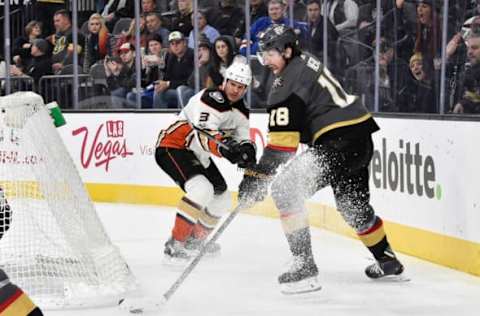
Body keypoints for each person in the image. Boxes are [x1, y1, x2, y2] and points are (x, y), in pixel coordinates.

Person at [237, 24, 405, 294]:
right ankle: (387, 261)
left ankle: (304, 268)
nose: (265, 61)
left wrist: (255, 176)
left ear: (288, 51)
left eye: (270, 54)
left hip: (337, 142)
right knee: (353, 205)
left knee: (285, 189)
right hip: (360, 136)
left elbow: (282, 147)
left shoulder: (285, 85)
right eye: (263, 54)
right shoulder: (305, 60)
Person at [155, 61, 256, 261]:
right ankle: (175, 244)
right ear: (225, 81)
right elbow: (204, 135)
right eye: (233, 84)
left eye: (241, 86)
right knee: (202, 190)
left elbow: (245, 139)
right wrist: (226, 149)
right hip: (173, 146)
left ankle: (194, 242)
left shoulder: (241, 112)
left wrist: (248, 158)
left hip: (197, 154)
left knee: (223, 198)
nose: (235, 90)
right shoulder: (209, 98)